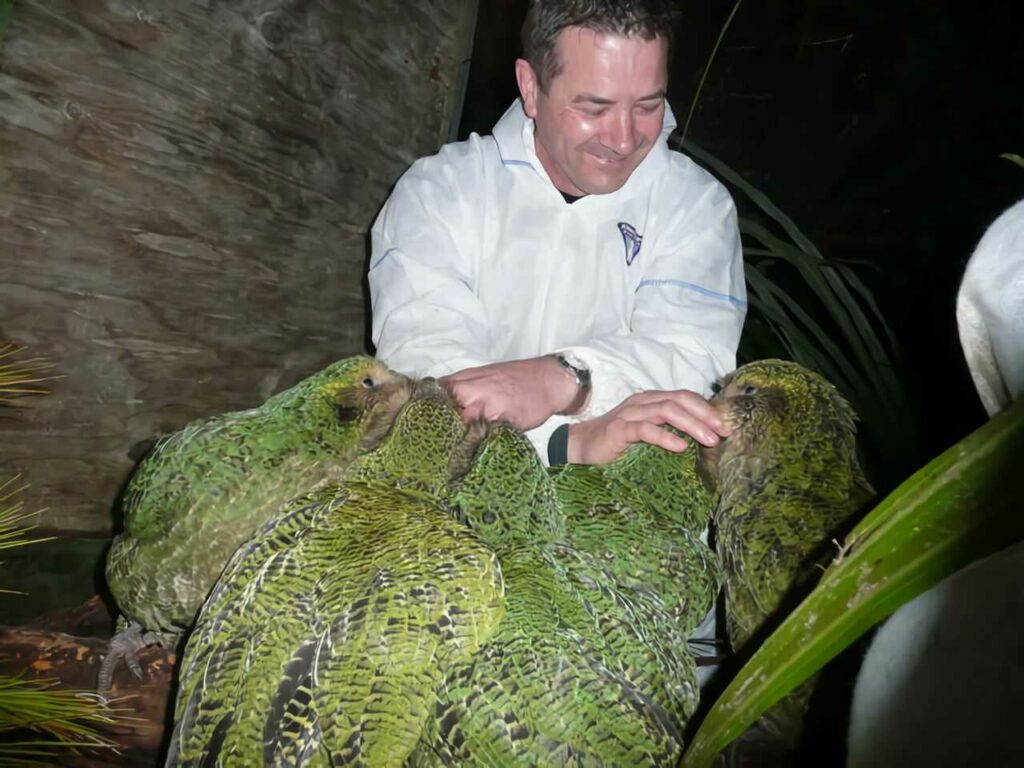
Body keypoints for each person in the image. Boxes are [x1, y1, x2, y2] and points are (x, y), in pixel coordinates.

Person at [369, 0, 747, 466]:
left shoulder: (695, 204)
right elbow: (429, 371)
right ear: (531, 86)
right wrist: (566, 443)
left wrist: (567, 378)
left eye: (648, 105)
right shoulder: (441, 192)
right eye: (594, 107)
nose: (624, 139)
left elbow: (693, 360)